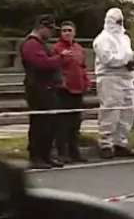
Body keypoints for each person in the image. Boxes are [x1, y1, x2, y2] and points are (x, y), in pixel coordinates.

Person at [20, 15, 69, 169]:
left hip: (48, 88)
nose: (51, 33)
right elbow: (41, 64)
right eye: (49, 29)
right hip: (38, 89)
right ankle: (36, 155)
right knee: (39, 124)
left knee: (50, 124)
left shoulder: (41, 44)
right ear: (41, 27)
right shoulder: (31, 45)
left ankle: (46, 154)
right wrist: (59, 58)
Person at [93, 8, 134, 159]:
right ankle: (105, 143)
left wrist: (133, 61)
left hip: (127, 77)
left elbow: (126, 56)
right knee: (110, 111)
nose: (119, 24)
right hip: (110, 78)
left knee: (127, 112)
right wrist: (128, 57)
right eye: (116, 21)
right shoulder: (102, 39)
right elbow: (109, 60)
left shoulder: (125, 38)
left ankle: (121, 142)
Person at [52, 21, 92, 164]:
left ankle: (74, 151)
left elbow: (83, 67)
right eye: (64, 31)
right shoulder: (57, 48)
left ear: (74, 32)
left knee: (75, 123)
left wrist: (87, 81)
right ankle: (62, 152)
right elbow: (54, 66)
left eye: (69, 30)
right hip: (64, 90)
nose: (67, 33)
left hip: (78, 89)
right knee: (63, 123)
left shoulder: (78, 48)